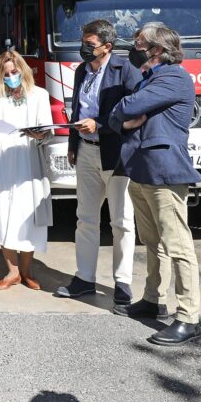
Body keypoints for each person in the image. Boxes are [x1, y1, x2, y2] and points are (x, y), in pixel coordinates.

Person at [109, 24, 201, 346]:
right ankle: (153, 299)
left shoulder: (173, 77)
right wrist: (124, 116)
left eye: (138, 44)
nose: (133, 50)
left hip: (164, 172)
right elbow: (121, 115)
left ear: (158, 50)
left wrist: (124, 113)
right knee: (153, 242)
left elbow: (126, 108)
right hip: (141, 170)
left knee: (178, 247)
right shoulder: (151, 78)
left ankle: (188, 317)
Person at [56, 20, 139, 305]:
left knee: (122, 221)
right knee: (86, 219)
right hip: (86, 151)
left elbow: (135, 111)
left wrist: (101, 125)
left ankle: (123, 283)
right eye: (84, 43)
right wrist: (72, 144)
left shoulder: (125, 70)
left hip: (115, 153)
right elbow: (77, 109)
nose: (84, 49)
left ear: (108, 47)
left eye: (90, 45)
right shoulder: (81, 71)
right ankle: (84, 279)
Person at [0, 50, 54, 290]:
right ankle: (12, 272)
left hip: (27, 158)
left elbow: (47, 130)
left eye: (14, 72)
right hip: (0, 160)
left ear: (23, 71)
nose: (10, 77)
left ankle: (27, 271)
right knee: (1, 210)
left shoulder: (39, 95)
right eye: (5, 74)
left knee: (28, 213)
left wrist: (40, 133)